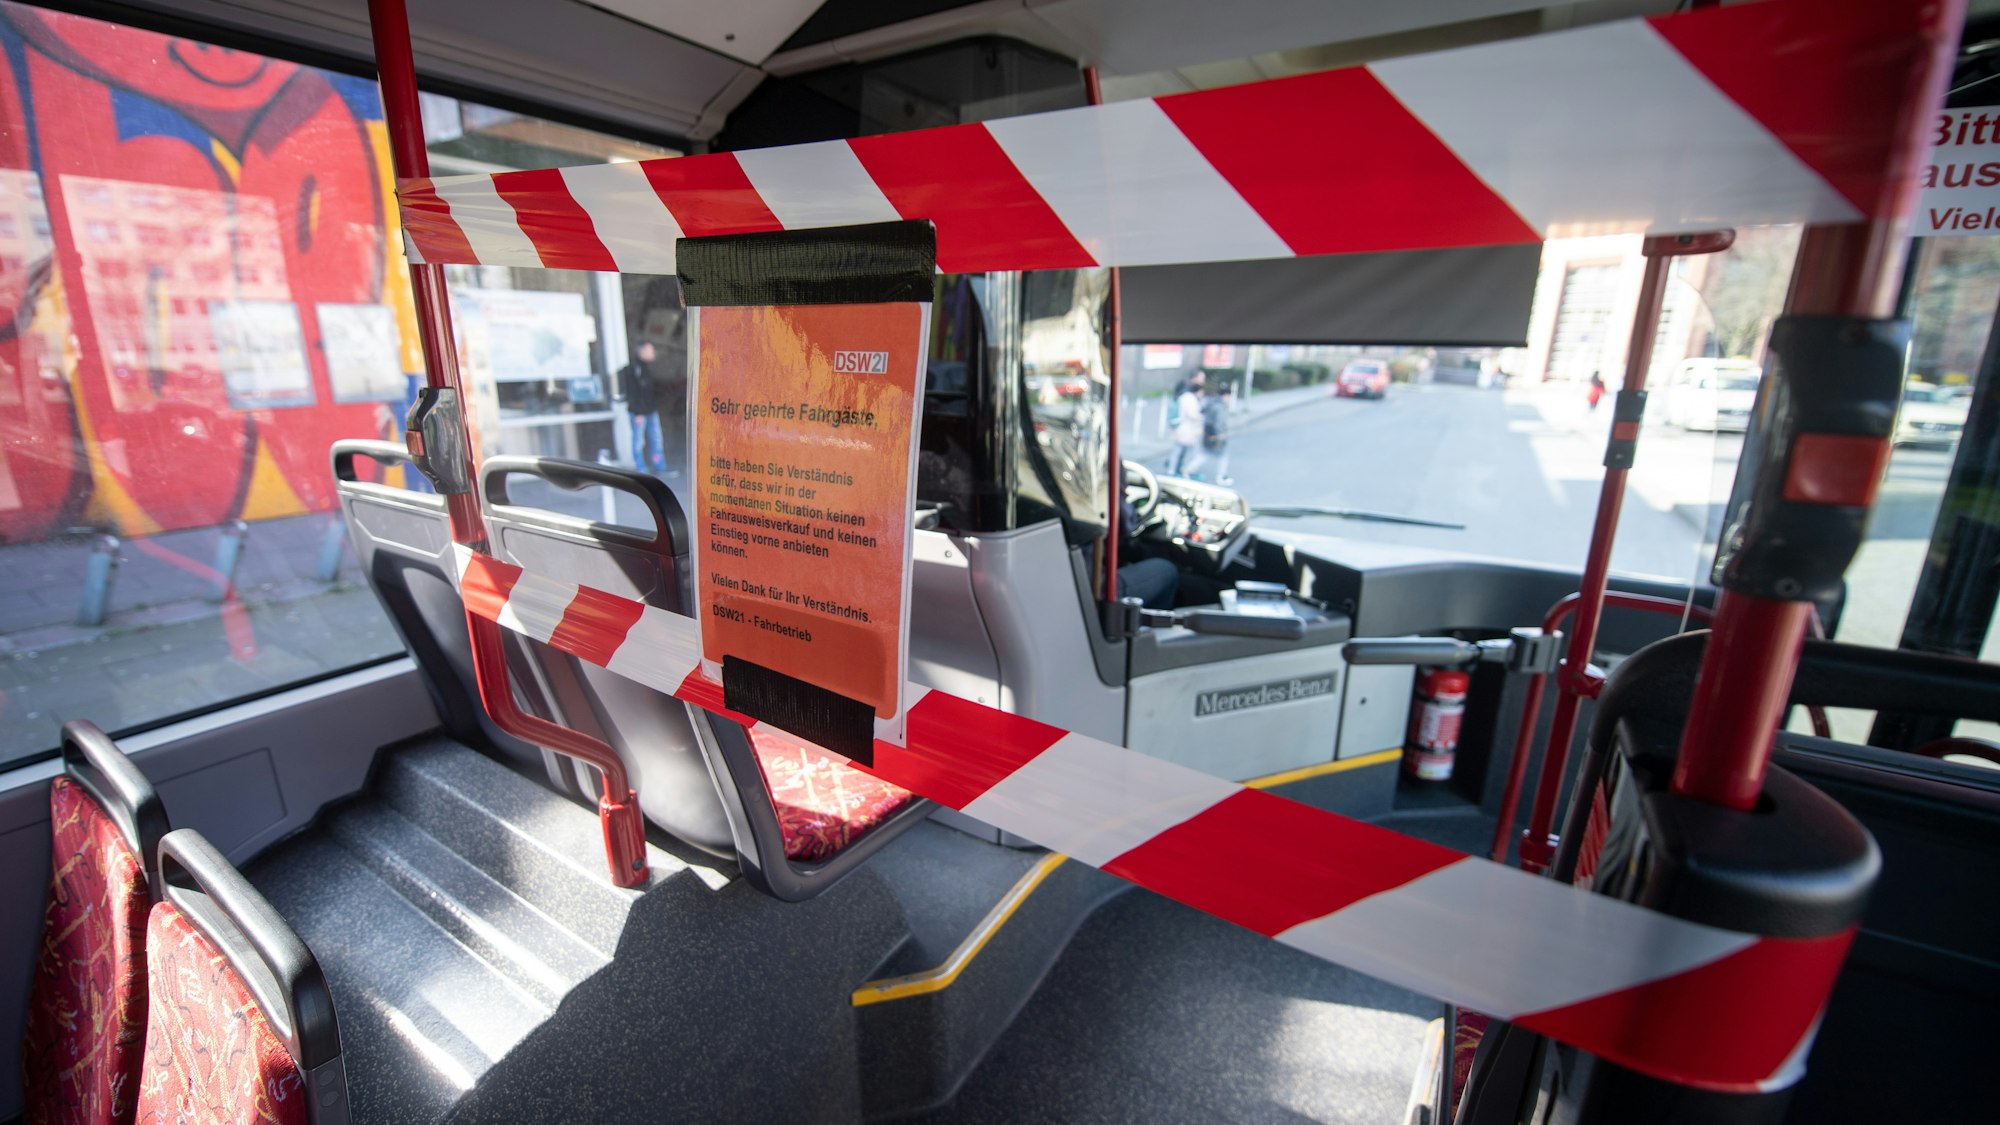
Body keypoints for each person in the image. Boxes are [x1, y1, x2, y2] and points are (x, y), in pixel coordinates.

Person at [621, 341, 665, 474]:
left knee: (656, 439)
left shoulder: (648, 368)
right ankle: (640, 467)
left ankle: (659, 465)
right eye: (650, 350)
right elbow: (633, 392)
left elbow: (650, 391)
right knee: (639, 440)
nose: (653, 353)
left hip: (651, 410)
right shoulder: (632, 369)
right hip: (639, 412)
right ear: (642, 351)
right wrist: (638, 412)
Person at [1166, 369, 1207, 477]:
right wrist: (1202, 417)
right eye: (1201, 378)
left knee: (1179, 450)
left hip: (1181, 427)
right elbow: (1193, 414)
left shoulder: (1187, 394)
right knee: (1188, 451)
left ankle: (1174, 469)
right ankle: (1184, 470)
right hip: (1186, 428)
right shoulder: (1189, 395)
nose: (1203, 381)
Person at [1199, 384, 1233, 486]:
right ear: (1226, 395)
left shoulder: (1211, 402)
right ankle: (1221, 477)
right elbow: (1219, 423)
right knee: (1222, 456)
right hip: (1216, 435)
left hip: (1207, 432)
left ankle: (1188, 470)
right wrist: (1221, 436)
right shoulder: (1220, 406)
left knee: (1205, 454)